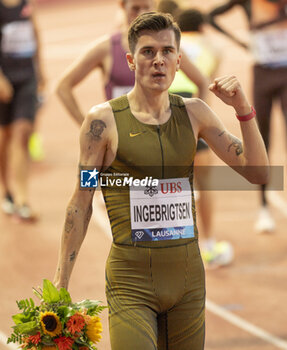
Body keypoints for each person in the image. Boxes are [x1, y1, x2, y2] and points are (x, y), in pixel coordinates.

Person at [54, 12, 269, 349]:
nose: (158, 61)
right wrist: (61, 282)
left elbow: (258, 173)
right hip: (131, 283)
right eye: (148, 52)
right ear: (130, 60)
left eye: (167, 52)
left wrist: (243, 108)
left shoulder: (195, 113)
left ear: (179, 60)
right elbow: (80, 203)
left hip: (188, 283)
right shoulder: (102, 123)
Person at [56, 0, 208, 126]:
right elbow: (63, 86)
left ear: (154, 7)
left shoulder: (168, 47)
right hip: (119, 140)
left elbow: (202, 82)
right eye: (135, 8)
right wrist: (86, 126)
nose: (140, 14)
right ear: (123, 6)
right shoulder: (106, 48)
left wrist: (191, 124)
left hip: (159, 135)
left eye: (146, 8)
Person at [208, 0, 287, 233]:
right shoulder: (248, 2)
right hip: (262, 74)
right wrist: (240, 42)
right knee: (262, 139)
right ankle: (263, 208)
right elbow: (211, 16)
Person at [167, 8, 233, 268]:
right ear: (203, 27)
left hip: (167, 104)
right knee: (204, 182)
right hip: (194, 107)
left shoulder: (172, 45)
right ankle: (208, 245)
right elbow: (207, 83)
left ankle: (170, 247)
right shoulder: (213, 47)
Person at [0, 0, 44, 220]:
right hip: (4, 79)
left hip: (27, 77)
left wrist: (41, 70)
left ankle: (22, 199)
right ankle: (6, 190)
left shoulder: (27, 3)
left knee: (22, 133)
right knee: (4, 139)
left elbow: (35, 34)